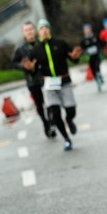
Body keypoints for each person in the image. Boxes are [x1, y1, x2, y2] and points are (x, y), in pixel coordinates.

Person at [27, 19, 82, 151]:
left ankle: (69, 120)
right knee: (55, 113)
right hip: (49, 85)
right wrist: (30, 68)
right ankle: (66, 139)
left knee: (71, 110)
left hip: (64, 82)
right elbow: (32, 69)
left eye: (46, 27)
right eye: (41, 28)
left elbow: (73, 58)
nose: (44, 30)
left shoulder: (60, 44)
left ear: (49, 30)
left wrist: (75, 57)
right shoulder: (35, 50)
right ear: (38, 32)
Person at [11, 21, 51, 139]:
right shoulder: (20, 48)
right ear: (23, 33)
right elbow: (13, 63)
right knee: (40, 104)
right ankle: (45, 123)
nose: (29, 32)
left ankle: (52, 120)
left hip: (45, 77)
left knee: (50, 101)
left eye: (31, 29)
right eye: (26, 30)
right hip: (32, 80)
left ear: (35, 30)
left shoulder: (42, 43)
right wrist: (24, 66)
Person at [80, 23, 104, 91]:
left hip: (96, 54)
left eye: (88, 29)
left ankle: (100, 76)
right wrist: (85, 52)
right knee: (93, 69)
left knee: (97, 66)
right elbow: (82, 48)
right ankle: (97, 81)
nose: (87, 30)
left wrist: (100, 50)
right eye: (85, 29)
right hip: (90, 56)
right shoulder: (84, 40)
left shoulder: (95, 36)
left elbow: (100, 44)